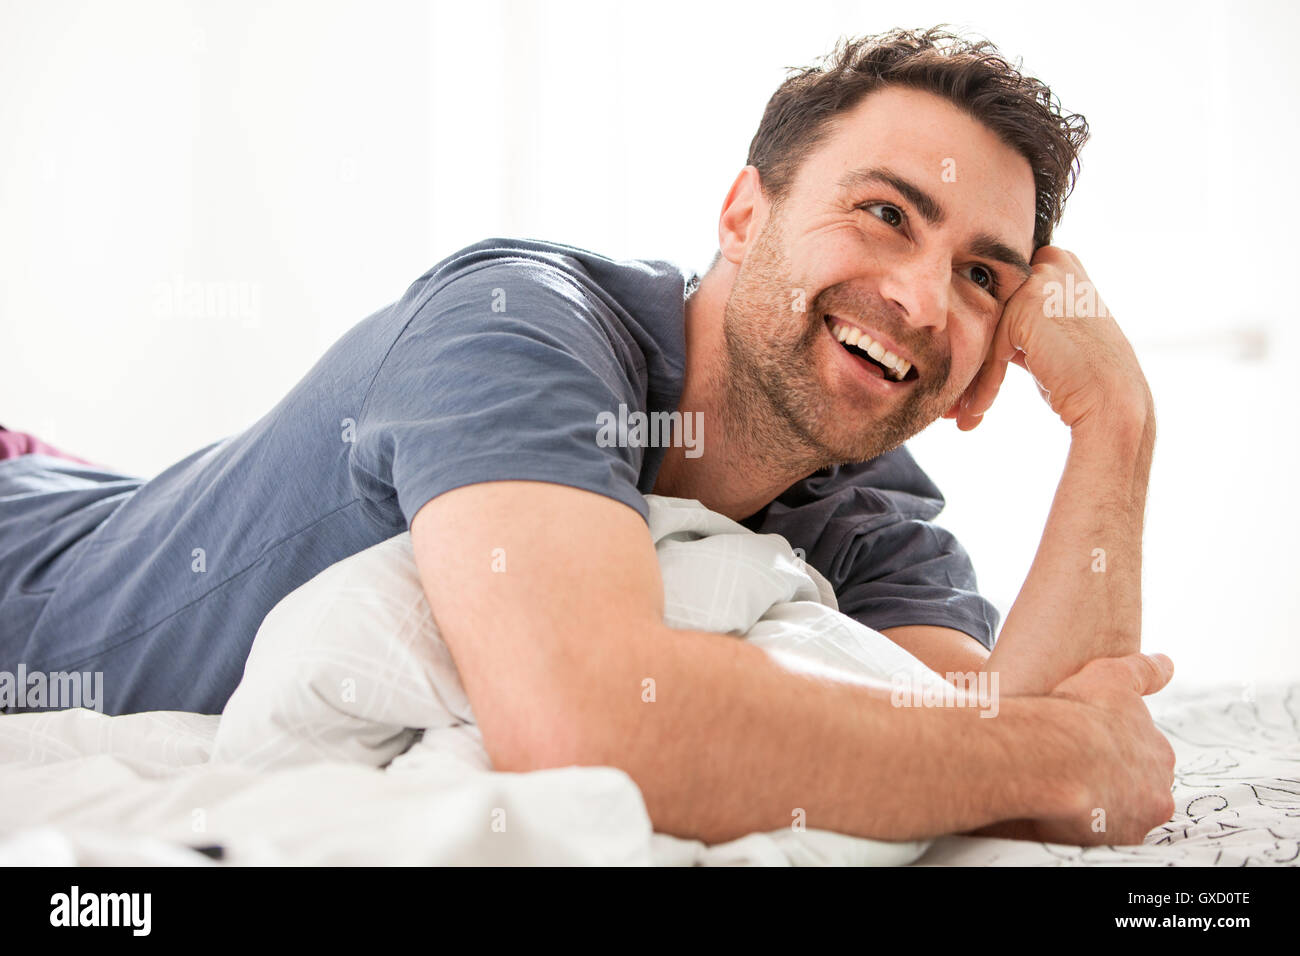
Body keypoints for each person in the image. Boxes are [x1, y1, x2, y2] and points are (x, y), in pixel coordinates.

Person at [0, 27, 1174, 846]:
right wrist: (1055, 759)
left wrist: (1112, 422)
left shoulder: (865, 500)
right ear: (743, 213)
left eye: (980, 275)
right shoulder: (522, 327)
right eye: (883, 213)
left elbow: (1048, 753)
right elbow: (587, 717)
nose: (922, 299)